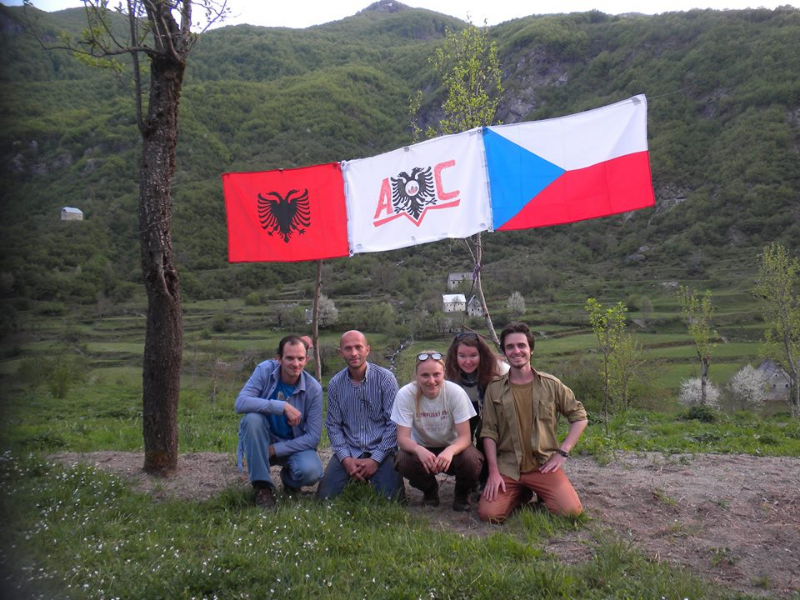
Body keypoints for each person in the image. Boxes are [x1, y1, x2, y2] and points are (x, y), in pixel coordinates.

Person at [478, 322, 588, 523]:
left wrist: (562, 452)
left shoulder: (551, 385)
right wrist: (493, 473)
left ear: (531, 349)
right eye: (510, 347)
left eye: (521, 345)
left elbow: (579, 417)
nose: (516, 351)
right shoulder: (494, 389)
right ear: (504, 352)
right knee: (489, 514)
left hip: (543, 466)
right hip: (508, 467)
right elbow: (488, 432)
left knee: (571, 513)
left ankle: (537, 489)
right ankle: (522, 492)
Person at [235, 335, 323, 509]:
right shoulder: (264, 371)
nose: (295, 364)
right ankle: (262, 488)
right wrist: (280, 406)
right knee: (252, 419)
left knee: (312, 472)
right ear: (279, 359)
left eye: (300, 358)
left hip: (293, 444)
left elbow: (313, 437)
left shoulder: (314, 389)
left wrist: (275, 449)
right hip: (262, 439)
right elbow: (241, 403)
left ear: (307, 360)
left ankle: (290, 481)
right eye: (289, 358)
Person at [317, 330, 405, 500]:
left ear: (367, 350)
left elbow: (394, 423)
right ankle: (354, 475)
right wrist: (346, 459)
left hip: (382, 450)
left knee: (393, 499)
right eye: (348, 348)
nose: (354, 353)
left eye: (358, 347)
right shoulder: (335, 384)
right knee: (324, 498)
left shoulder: (385, 379)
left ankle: (369, 475)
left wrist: (375, 460)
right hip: (350, 449)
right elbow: (333, 426)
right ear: (340, 352)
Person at [392, 351, 484, 511]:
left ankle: (462, 493)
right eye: (425, 375)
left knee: (472, 459)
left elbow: (465, 437)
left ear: (443, 373)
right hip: (422, 449)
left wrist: (450, 450)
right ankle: (429, 490)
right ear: (417, 375)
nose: (431, 381)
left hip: (453, 449)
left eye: (436, 374)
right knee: (403, 460)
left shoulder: (455, 392)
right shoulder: (405, 394)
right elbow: (402, 438)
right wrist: (418, 449)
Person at [444, 331, 509, 486]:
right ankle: (466, 477)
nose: (468, 361)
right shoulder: (447, 371)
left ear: (482, 354)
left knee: (484, 435)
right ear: (455, 355)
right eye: (462, 356)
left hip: (490, 404)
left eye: (473, 355)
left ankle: (485, 479)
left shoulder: (499, 369)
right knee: (460, 438)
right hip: (461, 406)